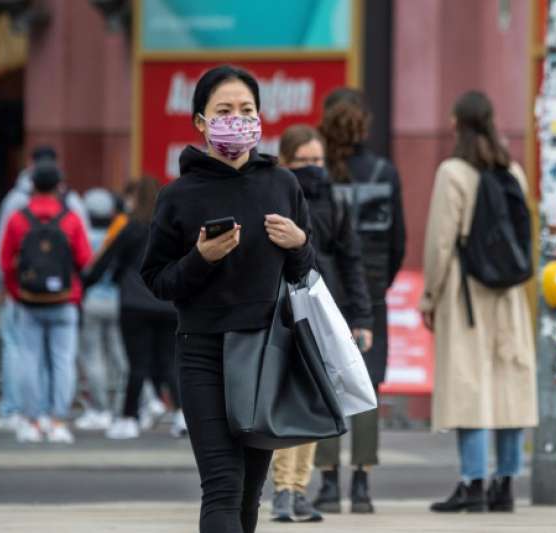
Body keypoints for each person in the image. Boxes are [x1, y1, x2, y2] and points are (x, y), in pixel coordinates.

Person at [140, 65, 315, 533]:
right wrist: (200, 258)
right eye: (224, 110)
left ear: (260, 117)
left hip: (265, 353)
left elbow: (302, 274)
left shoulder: (283, 185)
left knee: (248, 493)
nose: (237, 119)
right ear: (200, 121)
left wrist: (300, 244)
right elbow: (157, 279)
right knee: (221, 484)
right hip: (203, 352)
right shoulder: (177, 196)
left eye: (247, 110)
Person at [420, 91, 537, 514]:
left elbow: (439, 242)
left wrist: (430, 294)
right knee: (510, 385)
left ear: (456, 124)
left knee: (468, 385)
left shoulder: (452, 172)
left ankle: (471, 483)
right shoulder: (514, 171)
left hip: (465, 291)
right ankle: (505, 484)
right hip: (508, 294)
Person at [270, 125, 374, 522]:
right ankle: (283, 488)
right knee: (288, 401)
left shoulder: (335, 202)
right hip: (282, 309)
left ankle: (297, 490)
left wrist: (361, 317)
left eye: (318, 161)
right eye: (304, 161)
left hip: (322, 310)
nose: (314, 168)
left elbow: (352, 263)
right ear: (286, 161)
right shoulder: (278, 199)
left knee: (315, 400)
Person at [313, 87, 406, 514]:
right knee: (366, 387)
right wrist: (378, 285)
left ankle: (328, 483)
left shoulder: (321, 176)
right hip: (370, 291)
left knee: (327, 383)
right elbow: (398, 241)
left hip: (322, 293)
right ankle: (363, 486)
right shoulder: (384, 172)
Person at [0, 146, 90, 433]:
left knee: (28, 359)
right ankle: (57, 420)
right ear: (59, 185)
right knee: (62, 361)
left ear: (31, 184)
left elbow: (5, 261)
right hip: (64, 300)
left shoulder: (18, 217)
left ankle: (32, 421)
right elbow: (84, 260)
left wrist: (13, 291)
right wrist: (75, 291)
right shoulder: (70, 217)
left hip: (28, 300)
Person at [85, 179, 185, 440]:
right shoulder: (172, 229)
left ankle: (130, 417)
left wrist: (84, 285)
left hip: (134, 303)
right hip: (168, 303)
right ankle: (181, 415)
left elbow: (106, 261)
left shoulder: (130, 228)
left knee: (137, 363)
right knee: (168, 363)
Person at [75, 188, 128, 432]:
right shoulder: (117, 234)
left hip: (92, 301)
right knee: (119, 354)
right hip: (117, 300)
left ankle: (101, 408)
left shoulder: (84, 235)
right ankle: (125, 406)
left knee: (93, 357)